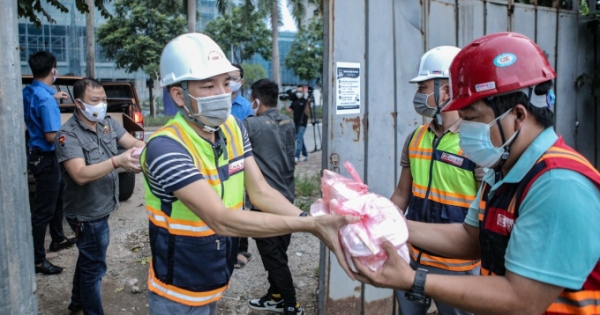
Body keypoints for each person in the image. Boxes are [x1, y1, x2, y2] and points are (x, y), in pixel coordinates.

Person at [353, 32, 600, 315]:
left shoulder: (558, 184)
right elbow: (471, 239)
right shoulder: (504, 171)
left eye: (472, 120)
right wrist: (383, 224)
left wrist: (414, 280)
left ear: (518, 116)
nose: (465, 132)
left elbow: (523, 300)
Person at [140, 33, 356, 315]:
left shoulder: (233, 128)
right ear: (179, 95)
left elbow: (261, 192)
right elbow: (222, 219)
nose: (222, 93)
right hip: (177, 287)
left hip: (215, 275)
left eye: (225, 83)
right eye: (208, 85)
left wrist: (310, 218)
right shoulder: (166, 148)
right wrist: (311, 227)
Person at [390, 46, 483, 315]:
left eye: (423, 87)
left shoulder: (476, 142)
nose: (418, 95)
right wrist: (377, 218)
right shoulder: (415, 137)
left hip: (457, 267)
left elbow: (487, 208)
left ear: (447, 89)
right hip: (411, 258)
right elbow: (401, 195)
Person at [55, 78, 145, 314]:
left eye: (104, 99)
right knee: (94, 268)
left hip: (102, 206)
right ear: (79, 103)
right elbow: (80, 175)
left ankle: (76, 303)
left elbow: (132, 141)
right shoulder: (68, 135)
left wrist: (146, 149)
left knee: (88, 258)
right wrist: (118, 160)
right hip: (87, 213)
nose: (101, 105)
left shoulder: (107, 124)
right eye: (95, 100)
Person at [243, 79, 303, 315]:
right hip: (287, 197)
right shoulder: (288, 122)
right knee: (278, 252)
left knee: (274, 257)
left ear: (256, 100)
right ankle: (275, 295)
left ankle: (290, 304)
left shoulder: (250, 125)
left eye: (251, 98)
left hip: (265, 202)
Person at [23, 51, 75, 275]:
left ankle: (58, 238)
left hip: (37, 155)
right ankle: (37, 259)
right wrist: (74, 138)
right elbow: (51, 136)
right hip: (46, 157)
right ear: (53, 70)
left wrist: (53, 98)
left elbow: (37, 103)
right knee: (43, 210)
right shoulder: (46, 100)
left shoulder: (31, 91)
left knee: (58, 197)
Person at [229, 63, 253, 269]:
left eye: (234, 78)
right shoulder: (213, 103)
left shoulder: (245, 107)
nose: (230, 81)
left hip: (238, 162)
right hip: (216, 163)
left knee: (241, 205)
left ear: (241, 81)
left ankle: (241, 249)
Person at [285, 85, 310, 163]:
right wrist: (285, 101)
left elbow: (307, 113)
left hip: (303, 123)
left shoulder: (305, 101)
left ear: (303, 92)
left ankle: (296, 156)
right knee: (300, 139)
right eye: (297, 91)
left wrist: (307, 103)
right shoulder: (294, 102)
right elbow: (289, 111)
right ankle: (305, 155)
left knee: (298, 139)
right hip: (296, 123)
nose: (298, 93)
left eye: (300, 91)